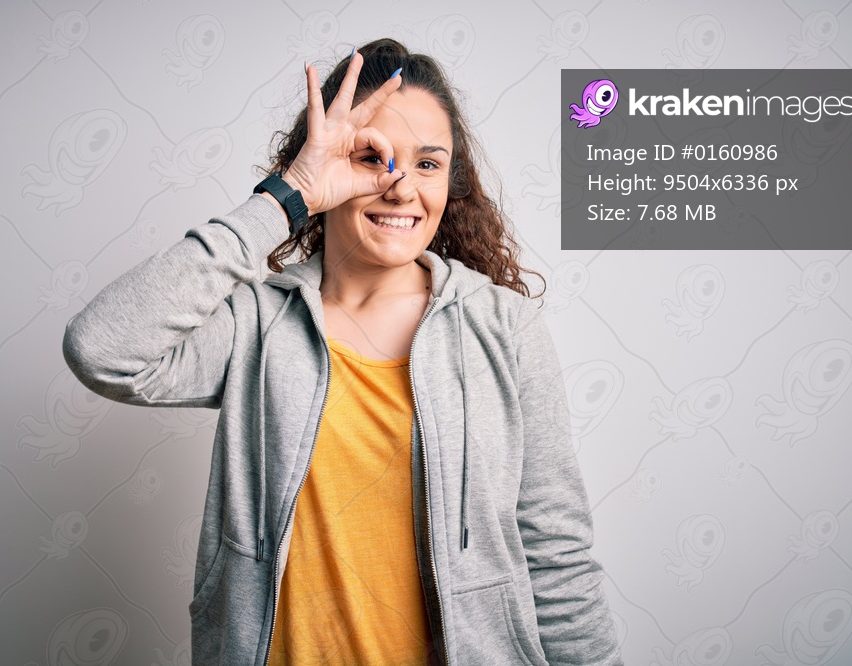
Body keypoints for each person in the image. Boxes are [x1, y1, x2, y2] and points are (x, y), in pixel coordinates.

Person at [63, 38, 622, 665]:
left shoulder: (504, 328)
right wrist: (287, 194)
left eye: (429, 164)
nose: (402, 187)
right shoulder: (258, 322)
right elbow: (101, 348)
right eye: (371, 156)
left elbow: (556, 556)